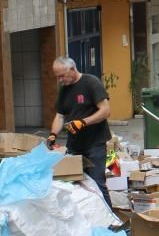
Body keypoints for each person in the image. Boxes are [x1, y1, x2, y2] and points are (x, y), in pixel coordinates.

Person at [47, 56, 111, 202]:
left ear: (72, 69)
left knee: (97, 184)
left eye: (62, 76)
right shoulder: (64, 90)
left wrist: (83, 122)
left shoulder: (91, 83)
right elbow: (59, 116)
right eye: (57, 77)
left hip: (95, 144)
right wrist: (52, 135)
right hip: (74, 145)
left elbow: (106, 111)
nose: (60, 80)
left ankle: (111, 222)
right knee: (75, 185)